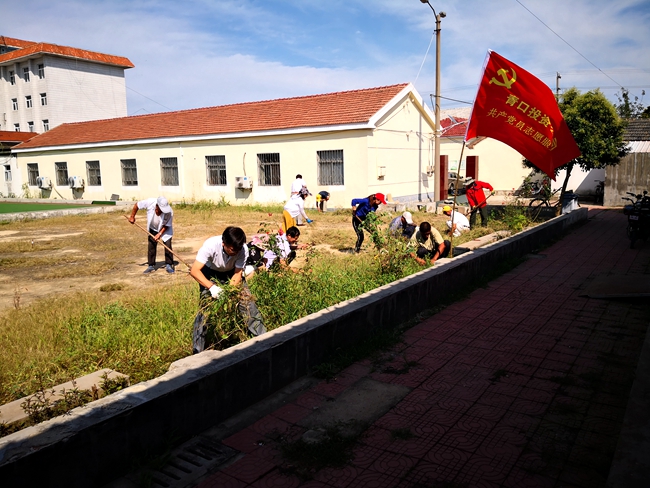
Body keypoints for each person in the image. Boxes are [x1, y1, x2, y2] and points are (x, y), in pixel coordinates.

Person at [189, 226, 266, 354]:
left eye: (238, 249)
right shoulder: (210, 245)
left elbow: (237, 274)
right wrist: (212, 287)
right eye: (232, 249)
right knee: (204, 311)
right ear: (223, 243)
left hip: (231, 273)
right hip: (210, 273)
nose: (235, 252)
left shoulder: (243, 249)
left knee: (248, 304)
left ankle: (263, 339)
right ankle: (197, 350)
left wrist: (229, 291)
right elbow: (195, 271)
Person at [128, 196, 175, 274]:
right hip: (152, 227)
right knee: (151, 246)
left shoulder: (169, 211)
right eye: (161, 209)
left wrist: (159, 234)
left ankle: (169, 264)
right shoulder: (150, 202)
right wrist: (132, 216)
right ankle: (151, 265)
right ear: (157, 205)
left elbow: (166, 225)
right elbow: (137, 205)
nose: (162, 211)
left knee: (168, 245)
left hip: (165, 229)